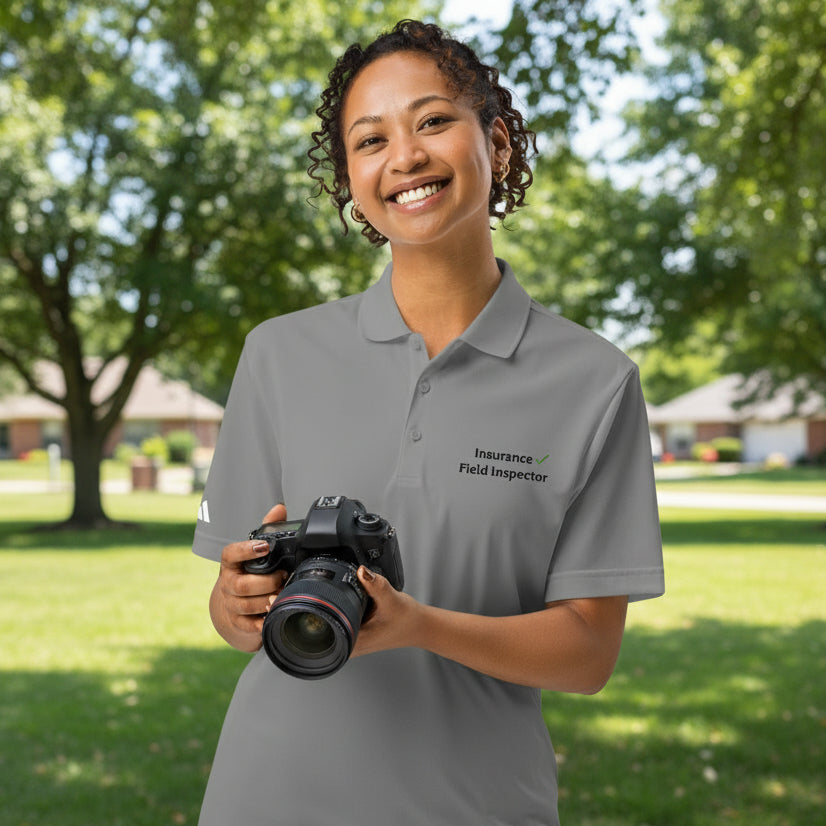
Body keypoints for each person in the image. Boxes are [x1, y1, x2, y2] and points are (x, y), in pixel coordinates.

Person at [192, 19, 664, 825]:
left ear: (500, 143)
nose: (404, 156)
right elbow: (236, 614)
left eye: (434, 120)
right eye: (369, 140)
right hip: (265, 797)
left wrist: (418, 627)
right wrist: (233, 605)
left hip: (477, 806)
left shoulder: (596, 382)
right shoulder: (278, 355)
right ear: (351, 180)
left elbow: (588, 655)